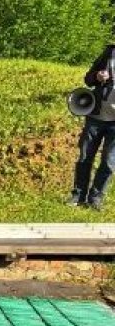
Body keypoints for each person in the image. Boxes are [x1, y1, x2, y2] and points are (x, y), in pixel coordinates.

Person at [67, 43, 115, 211]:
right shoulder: (109, 53)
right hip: (95, 117)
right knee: (84, 157)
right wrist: (98, 76)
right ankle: (78, 195)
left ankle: (96, 198)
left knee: (109, 162)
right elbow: (88, 79)